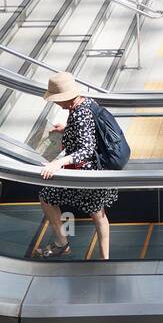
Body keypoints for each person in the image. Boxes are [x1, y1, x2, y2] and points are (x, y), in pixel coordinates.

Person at [37, 72, 117, 259]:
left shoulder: (80, 114)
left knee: (47, 197)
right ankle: (104, 259)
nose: (56, 103)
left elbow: (86, 149)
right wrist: (65, 130)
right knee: (99, 215)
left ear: (65, 98)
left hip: (85, 175)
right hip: (91, 173)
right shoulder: (87, 103)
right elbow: (90, 131)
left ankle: (62, 244)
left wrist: (58, 163)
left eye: (57, 100)